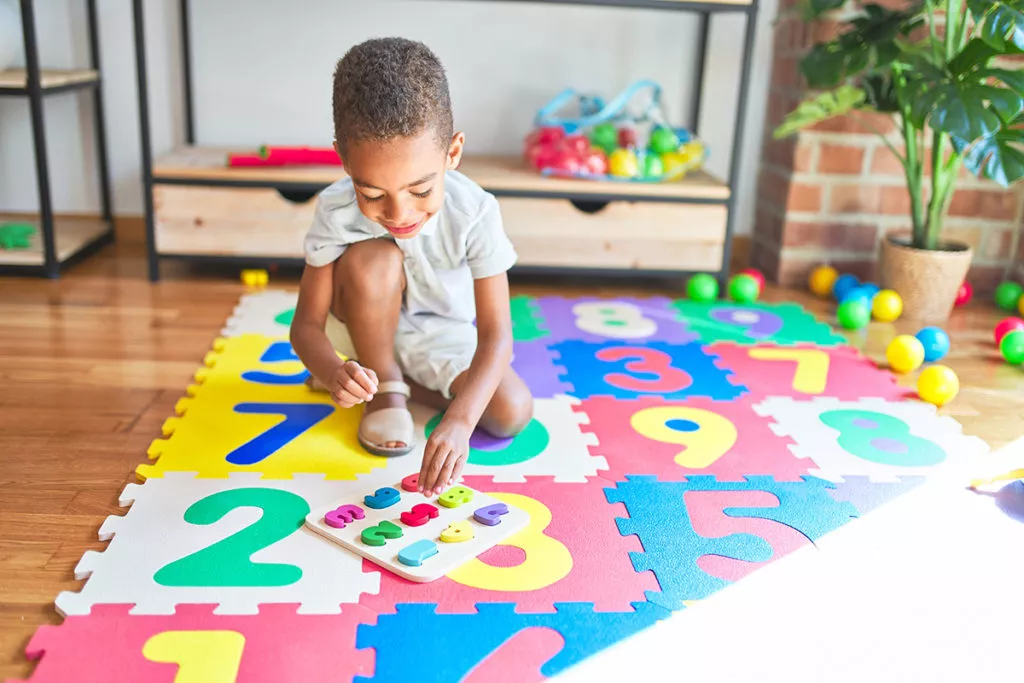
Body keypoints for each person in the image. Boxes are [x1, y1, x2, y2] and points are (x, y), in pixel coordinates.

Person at [290, 37, 533, 497]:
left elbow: (497, 331)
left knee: (510, 411)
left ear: (453, 153)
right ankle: (378, 383)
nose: (399, 213)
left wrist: (461, 420)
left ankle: (390, 383)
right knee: (374, 254)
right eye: (373, 194)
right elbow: (305, 326)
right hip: (361, 326)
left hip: (442, 334)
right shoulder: (335, 211)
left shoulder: (475, 211)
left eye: (420, 190)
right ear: (343, 158)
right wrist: (329, 368)